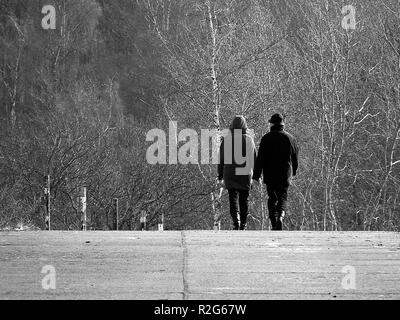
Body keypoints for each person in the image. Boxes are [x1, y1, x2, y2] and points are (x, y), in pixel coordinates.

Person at [253, 113, 299, 231]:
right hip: (285, 174)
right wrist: (294, 171)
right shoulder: (291, 138)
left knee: (272, 198)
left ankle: (273, 222)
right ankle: (281, 216)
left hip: (270, 174)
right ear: (283, 124)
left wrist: (256, 175)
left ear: (272, 124)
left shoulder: (266, 138)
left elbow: (260, 158)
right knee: (283, 196)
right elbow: (295, 157)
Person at [218, 115, 257, 230]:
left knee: (233, 198)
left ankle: (236, 221)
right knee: (244, 199)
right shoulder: (249, 139)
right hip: (245, 173)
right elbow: (254, 157)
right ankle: (243, 224)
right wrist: (257, 174)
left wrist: (220, 175)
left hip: (230, 173)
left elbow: (221, 159)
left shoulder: (227, 139)